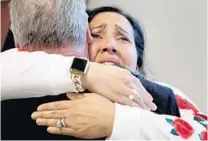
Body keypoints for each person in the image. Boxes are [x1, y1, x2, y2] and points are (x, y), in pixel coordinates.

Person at [31, 6, 208, 140]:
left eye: (123, 38)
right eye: (96, 35)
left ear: (137, 65)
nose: (110, 46)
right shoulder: (48, 83)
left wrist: (115, 120)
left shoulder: (165, 96)